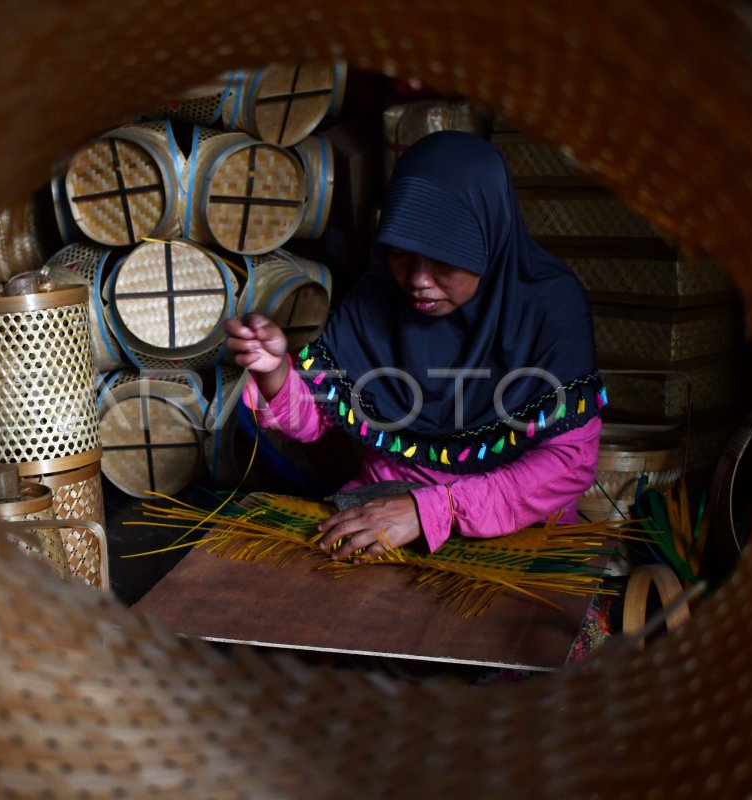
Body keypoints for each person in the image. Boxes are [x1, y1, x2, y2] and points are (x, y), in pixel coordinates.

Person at [225, 131, 604, 560]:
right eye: (401, 253)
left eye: (444, 258)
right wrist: (276, 372)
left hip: (512, 530)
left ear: (489, 236)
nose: (418, 280)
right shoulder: (378, 296)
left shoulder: (549, 308)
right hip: (377, 513)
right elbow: (313, 419)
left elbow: (569, 465)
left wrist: (435, 509)